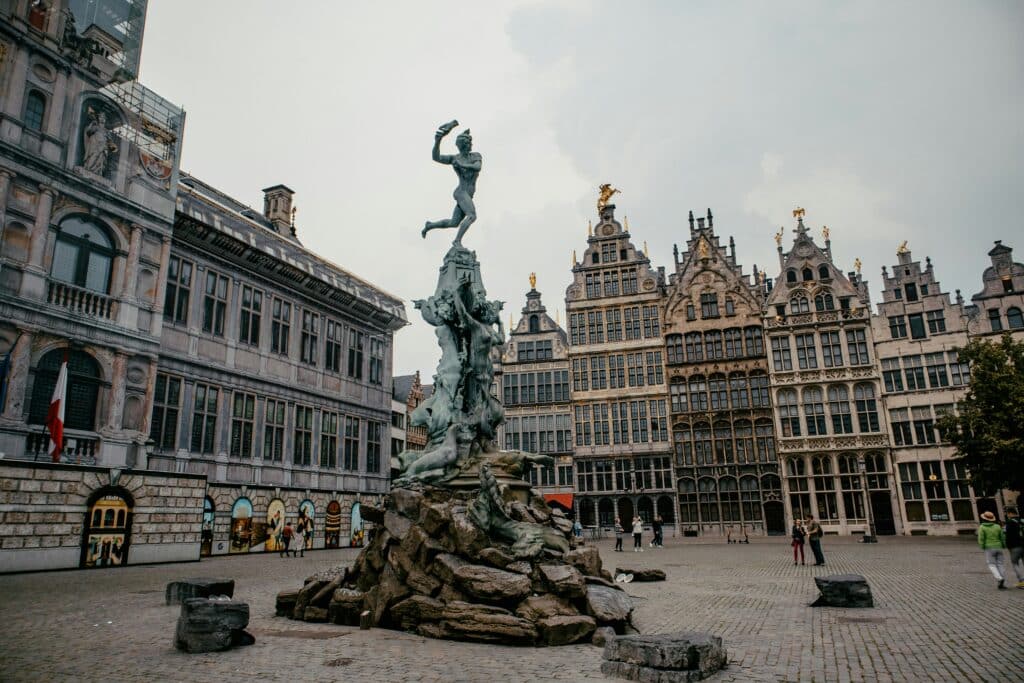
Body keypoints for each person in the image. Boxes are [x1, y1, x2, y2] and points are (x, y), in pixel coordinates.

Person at [422, 122, 482, 245]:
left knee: (454, 223)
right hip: (461, 192)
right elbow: (436, 157)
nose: (471, 145)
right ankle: (457, 241)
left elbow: (477, 167)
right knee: (471, 215)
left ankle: (430, 225)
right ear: (463, 145)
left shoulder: (475, 156)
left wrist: (462, 164)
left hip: (468, 194)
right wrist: (438, 141)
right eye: (468, 143)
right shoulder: (455, 158)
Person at [978, 511, 1008, 589]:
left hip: (989, 548)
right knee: (1000, 564)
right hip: (998, 547)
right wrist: (1003, 545)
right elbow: (1002, 537)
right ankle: (1002, 578)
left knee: (991, 564)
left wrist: (982, 546)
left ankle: (999, 578)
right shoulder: (997, 526)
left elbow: (981, 538)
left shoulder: (982, 527)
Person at [1005, 507, 1024, 588]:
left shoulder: (1010, 522)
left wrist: (1008, 546)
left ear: (1010, 513)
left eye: (1007, 514)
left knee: (1015, 563)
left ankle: (1022, 581)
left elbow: (1008, 536)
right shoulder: (1022, 521)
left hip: (1015, 546)